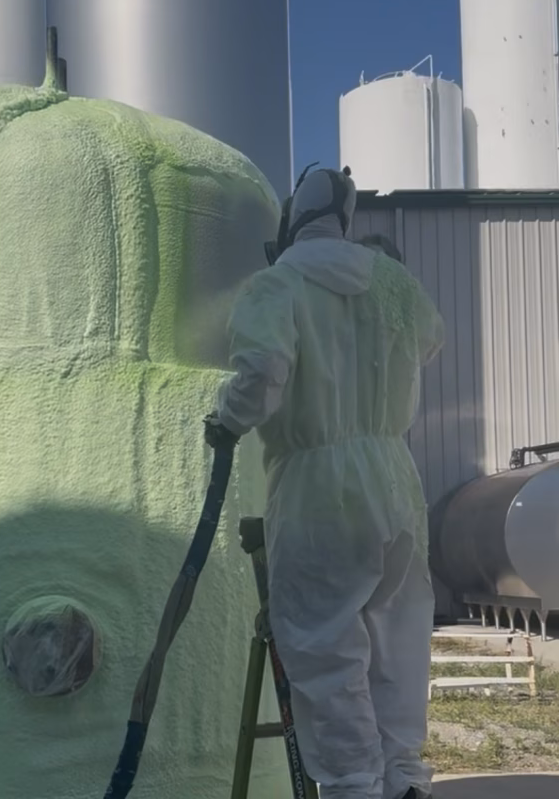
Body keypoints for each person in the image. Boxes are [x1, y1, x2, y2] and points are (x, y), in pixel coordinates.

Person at [209, 166, 444, 799]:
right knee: (397, 639)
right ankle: (404, 779)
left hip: (318, 486)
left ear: (292, 221)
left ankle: (352, 787)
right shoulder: (392, 283)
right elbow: (429, 338)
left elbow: (261, 375)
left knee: (326, 645)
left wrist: (224, 422)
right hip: (395, 482)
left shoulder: (277, 283)